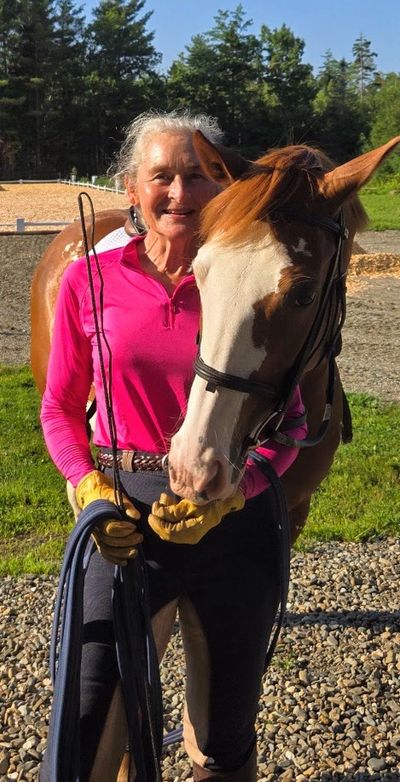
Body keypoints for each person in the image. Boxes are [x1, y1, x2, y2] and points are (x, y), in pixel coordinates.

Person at [40, 111, 307, 782]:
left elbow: (292, 424)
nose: (181, 194)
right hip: (123, 516)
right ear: (132, 187)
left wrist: (237, 495)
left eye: (197, 176)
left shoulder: (252, 289)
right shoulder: (89, 283)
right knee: (90, 720)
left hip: (232, 516)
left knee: (224, 735)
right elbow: (61, 408)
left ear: (222, 189)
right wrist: (87, 484)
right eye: (162, 175)